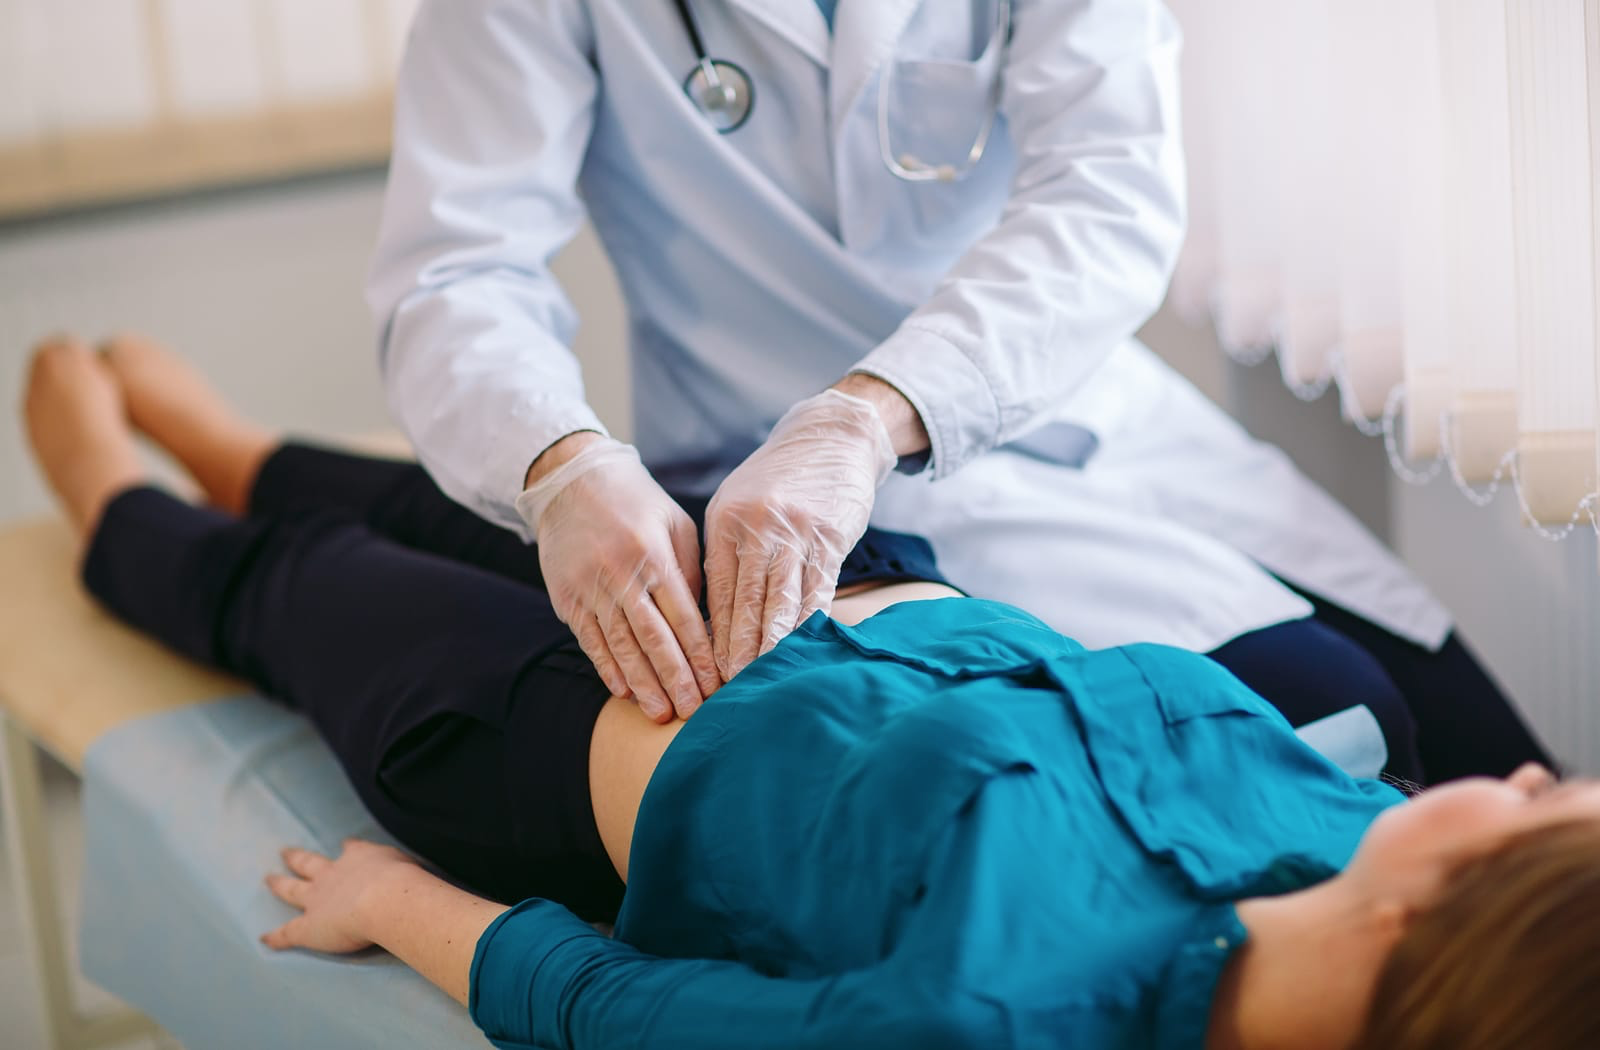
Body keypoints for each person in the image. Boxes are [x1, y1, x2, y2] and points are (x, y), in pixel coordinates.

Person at [21, 336, 1600, 1049]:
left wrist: (400, 902)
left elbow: (625, 1012)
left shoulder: (1005, 1012)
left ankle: (110, 501)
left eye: (1537, 804)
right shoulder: (1349, 815)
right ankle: (241, 450)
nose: (1521, 776)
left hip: (545, 732)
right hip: (820, 581)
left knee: (293, 589)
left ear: (1443, 907)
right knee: (474, 499)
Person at [368, 0, 1546, 787]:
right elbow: (457, 266)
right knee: (1341, 728)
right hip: (765, 467)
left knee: (1497, 772)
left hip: (1065, 401)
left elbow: (1108, 190)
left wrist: (869, 413)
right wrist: (560, 464)